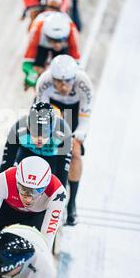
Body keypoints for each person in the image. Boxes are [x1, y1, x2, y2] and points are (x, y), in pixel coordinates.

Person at [36, 54, 93, 225]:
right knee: (42, 145)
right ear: (51, 78)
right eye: (59, 81)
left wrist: (77, 137)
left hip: (74, 113)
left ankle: (72, 204)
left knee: (75, 152)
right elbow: (41, 116)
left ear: (74, 77)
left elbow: (85, 120)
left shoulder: (84, 83)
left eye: (67, 81)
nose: (63, 86)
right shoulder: (43, 82)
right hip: (52, 109)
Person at [0, 102, 72, 189]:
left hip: (52, 159)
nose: (39, 138)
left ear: (53, 128)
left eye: (45, 131)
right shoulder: (18, 128)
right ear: (28, 126)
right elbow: (6, 163)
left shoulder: (64, 132)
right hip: (27, 154)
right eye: (35, 131)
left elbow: (62, 173)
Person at [22, 10, 80, 88]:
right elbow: (27, 61)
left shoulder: (72, 30)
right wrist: (32, 75)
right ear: (45, 35)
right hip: (42, 45)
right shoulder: (37, 30)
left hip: (62, 46)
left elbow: (76, 62)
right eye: (52, 40)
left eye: (60, 40)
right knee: (36, 71)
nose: (57, 45)